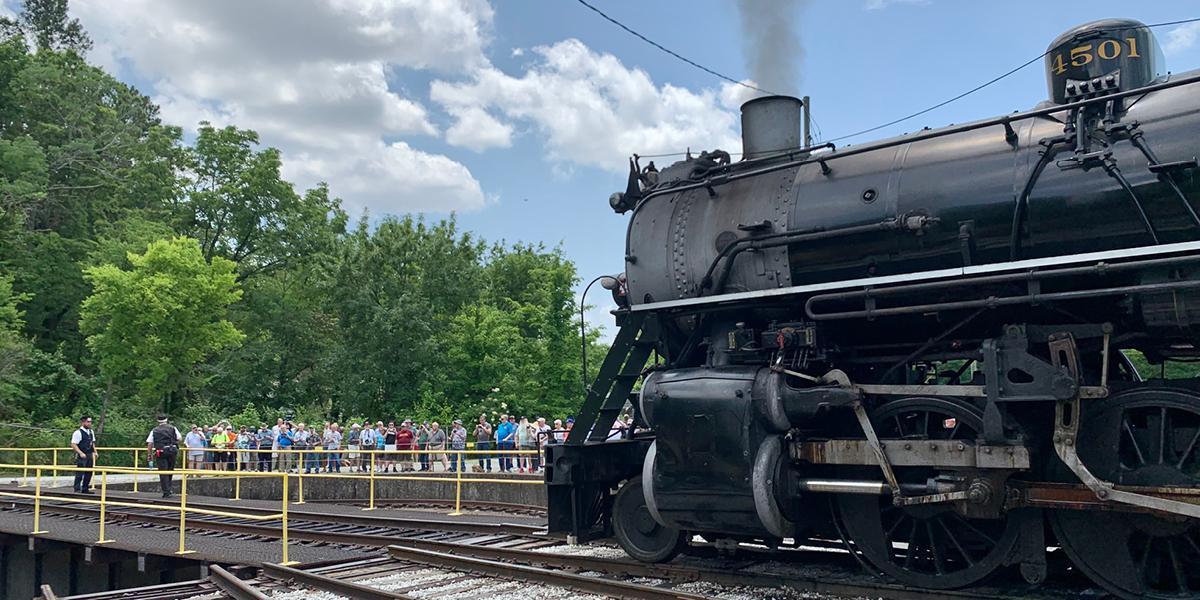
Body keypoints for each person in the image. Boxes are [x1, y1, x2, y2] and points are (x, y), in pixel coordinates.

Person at [146, 415, 181, 498]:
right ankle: (169, 488)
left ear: (158, 421)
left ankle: (166, 491)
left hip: (160, 452)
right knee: (170, 470)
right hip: (172, 451)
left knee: (163, 471)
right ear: (166, 420)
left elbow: (150, 443)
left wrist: (149, 454)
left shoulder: (154, 430)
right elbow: (179, 438)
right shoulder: (173, 428)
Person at [70, 415, 97, 494]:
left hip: (89, 454)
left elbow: (92, 443)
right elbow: (73, 444)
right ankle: (77, 489)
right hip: (82, 454)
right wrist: (80, 453)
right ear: (83, 422)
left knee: (89, 472)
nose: (89, 423)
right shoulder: (78, 432)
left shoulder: (91, 432)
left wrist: (95, 452)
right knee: (80, 472)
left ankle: (85, 488)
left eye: (90, 422)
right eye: (88, 422)